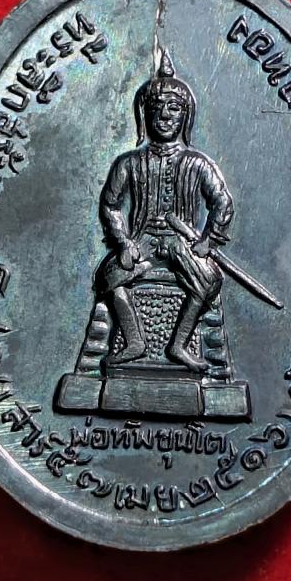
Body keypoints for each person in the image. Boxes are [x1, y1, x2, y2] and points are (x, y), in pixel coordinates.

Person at [94, 51, 234, 373]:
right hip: (142, 242)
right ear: (146, 115)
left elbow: (223, 203)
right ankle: (133, 341)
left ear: (185, 117)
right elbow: (110, 204)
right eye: (158, 107)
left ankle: (179, 344)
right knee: (108, 276)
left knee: (209, 279)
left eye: (174, 108)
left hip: (181, 243)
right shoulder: (128, 163)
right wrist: (124, 242)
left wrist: (208, 241)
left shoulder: (198, 164)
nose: (165, 115)